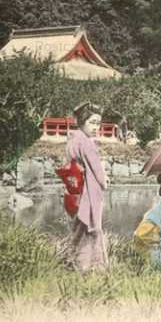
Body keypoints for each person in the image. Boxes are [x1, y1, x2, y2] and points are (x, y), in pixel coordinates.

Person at [66, 101, 109, 270]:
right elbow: (96, 168)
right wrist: (104, 181)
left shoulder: (73, 139)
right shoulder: (86, 143)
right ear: (82, 121)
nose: (96, 127)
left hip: (75, 190)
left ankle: (74, 263)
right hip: (87, 193)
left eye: (98, 123)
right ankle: (90, 267)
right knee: (90, 231)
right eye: (92, 122)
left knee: (79, 231)